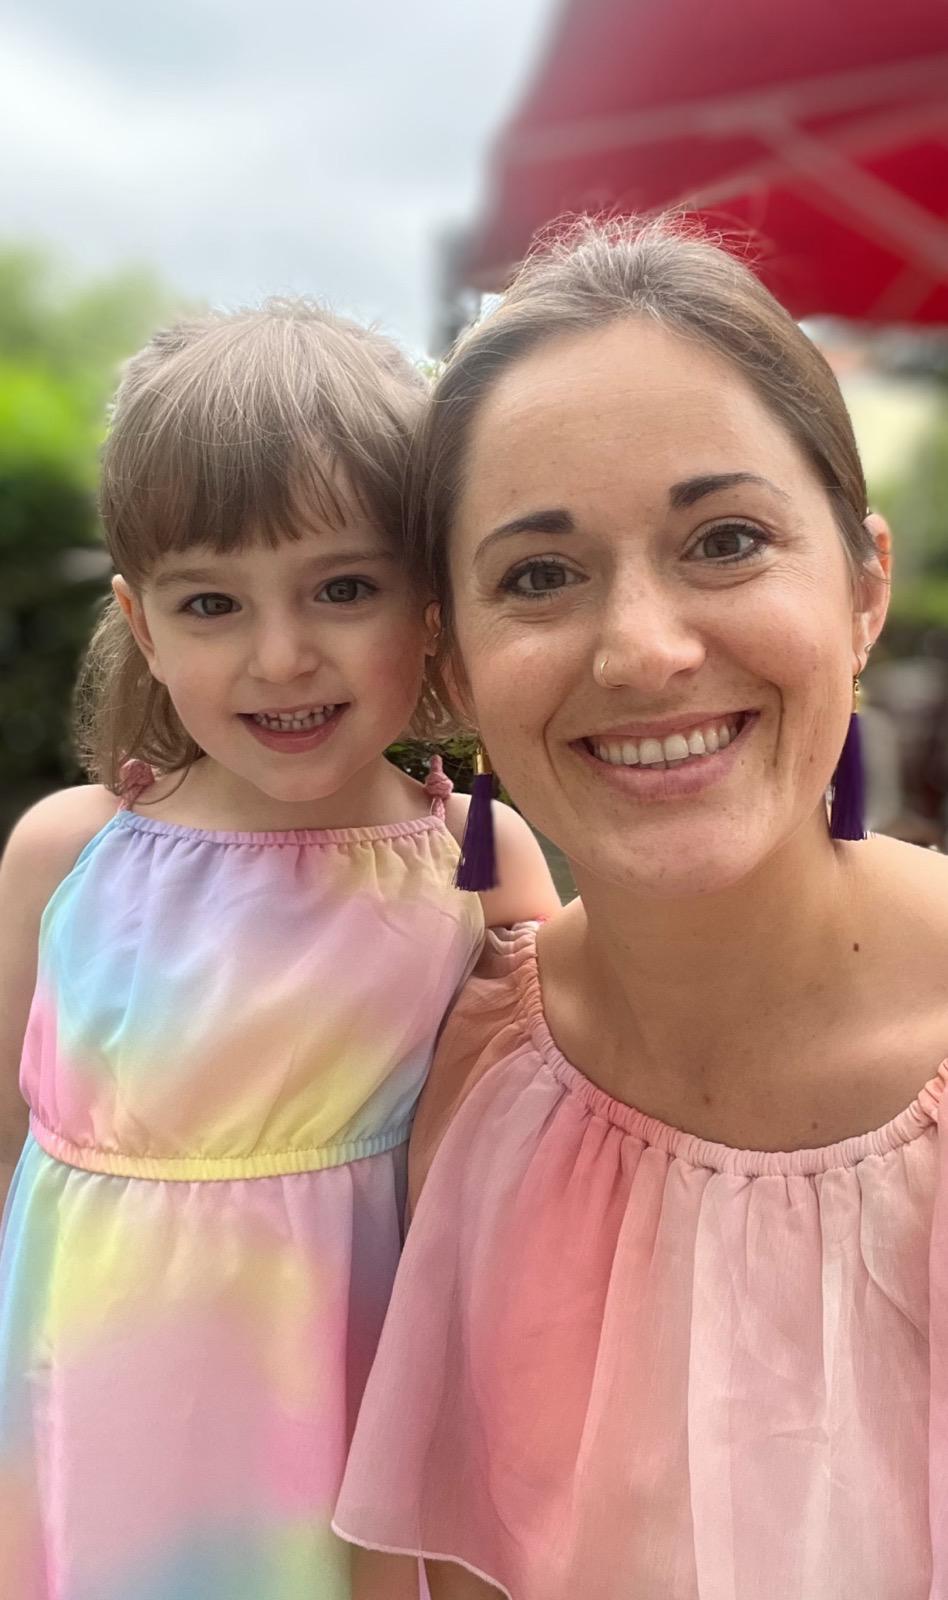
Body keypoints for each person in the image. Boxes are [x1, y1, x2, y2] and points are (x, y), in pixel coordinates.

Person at [333, 219, 948, 1600]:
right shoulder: (467, 1078)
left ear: (863, 588)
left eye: (726, 541)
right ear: (454, 667)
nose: (644, 650)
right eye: (539, 575)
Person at [0, 300, 558, 1600]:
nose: (282, 654)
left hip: (348, 1436)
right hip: (96, 1432)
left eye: (344, 588)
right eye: (212, 602)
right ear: (145, 627)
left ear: (430, 607)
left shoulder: (477, 858)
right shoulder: (68, 855)